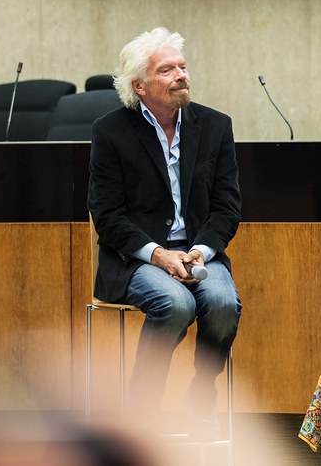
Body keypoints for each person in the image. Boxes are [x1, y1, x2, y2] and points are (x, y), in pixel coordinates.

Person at [88, 27, 242, 441]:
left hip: (198, 252)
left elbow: (227, 207)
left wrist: (200, 251)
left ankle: (201, 398)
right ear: (139, 85)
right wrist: (159, 255)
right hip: (137, 258)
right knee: (175, 303)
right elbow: (107, 215)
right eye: (167, 70)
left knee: (222, 303)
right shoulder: (110, 132)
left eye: (183, 67)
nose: (181, 76)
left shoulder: (215, 126)